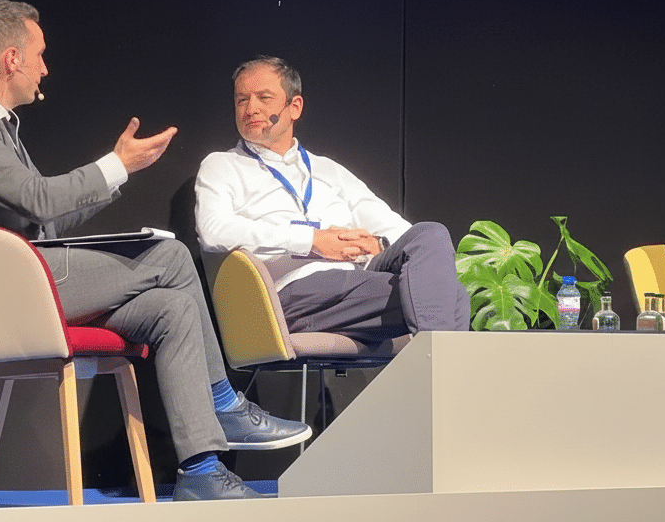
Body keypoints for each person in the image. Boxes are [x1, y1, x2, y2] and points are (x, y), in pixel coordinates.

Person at [0, 0, 310, 501]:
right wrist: (115, 164)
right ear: (11, 59)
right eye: (39, 54)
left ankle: (202, 471)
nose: (45, 67)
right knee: (170, 258)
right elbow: (37, 199)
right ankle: (224, 402)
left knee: (172, 309)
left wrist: (124, 174)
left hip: (23, 279)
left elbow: (45, 218)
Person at [195, 56, 469, 342]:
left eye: (264, 97)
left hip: (358, 278)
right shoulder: (222, 165)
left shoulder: (327, 170)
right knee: (448, 297)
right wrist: (311, 239)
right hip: (293, 293)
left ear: (295, 107)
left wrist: (379, 244)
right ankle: (444, 376)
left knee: (430, 234)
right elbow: (215, 230)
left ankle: (438, 367)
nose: (251, 109)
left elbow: (394, 225)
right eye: (241, 100)